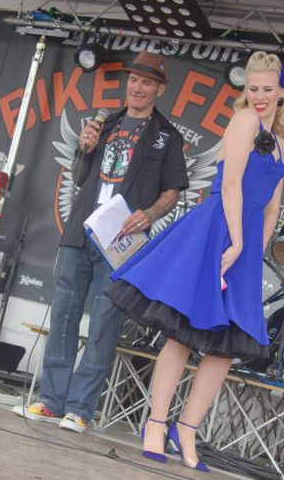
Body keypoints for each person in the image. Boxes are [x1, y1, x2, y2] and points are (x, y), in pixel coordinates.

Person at [106, 51, 284, 471]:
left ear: (282, 91)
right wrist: (237, 241)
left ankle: (186, 428)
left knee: (226, 349)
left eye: (267, 89)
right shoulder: (243, 121)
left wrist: (253, 251)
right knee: (183, 332)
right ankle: (156, 423)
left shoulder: (281, 143)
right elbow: (230, 186)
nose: (259, 96)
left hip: (244, 245)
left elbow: (271, 208)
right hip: (217, 231)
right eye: (252, 88)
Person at [13, 51, 189, 432]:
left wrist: (149, 214)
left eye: (146, 82)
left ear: (159, 89)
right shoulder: (104, 124)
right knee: (62, 315)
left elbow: (173, 192)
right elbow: (79, 176)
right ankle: (50, 400)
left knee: (104, 325)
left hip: (121, 240)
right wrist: (84, 149)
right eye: (133, 79)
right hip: (81, 230)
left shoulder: (167, 137)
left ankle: (80, 408)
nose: (137, 87)